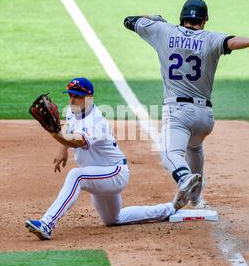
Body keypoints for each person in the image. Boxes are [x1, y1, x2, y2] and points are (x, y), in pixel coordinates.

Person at [123, 0, 249, 209]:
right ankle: (197, 199)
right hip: (205, 118)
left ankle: (183, 179)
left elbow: (129, 20)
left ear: (182, 17)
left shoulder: (163, 31)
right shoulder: (211, 38)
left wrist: (154, 18)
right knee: (195, 147)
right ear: (205, 19)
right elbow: (231, 41)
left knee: (170, 155)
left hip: (178, 112)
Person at [25, 77, 191, 240]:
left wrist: (54, 134)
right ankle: (170, 209)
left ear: (89, 98)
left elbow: (77, 141)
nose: (72, 100)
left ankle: (47, 223)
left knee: (77, 175)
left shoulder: (96, 122)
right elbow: (68, 128)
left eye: (77, 96)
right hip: (99, 175)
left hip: (115, 173)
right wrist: (63, 148)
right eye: (70, 95)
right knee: (113, 219)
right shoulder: (72, 111)